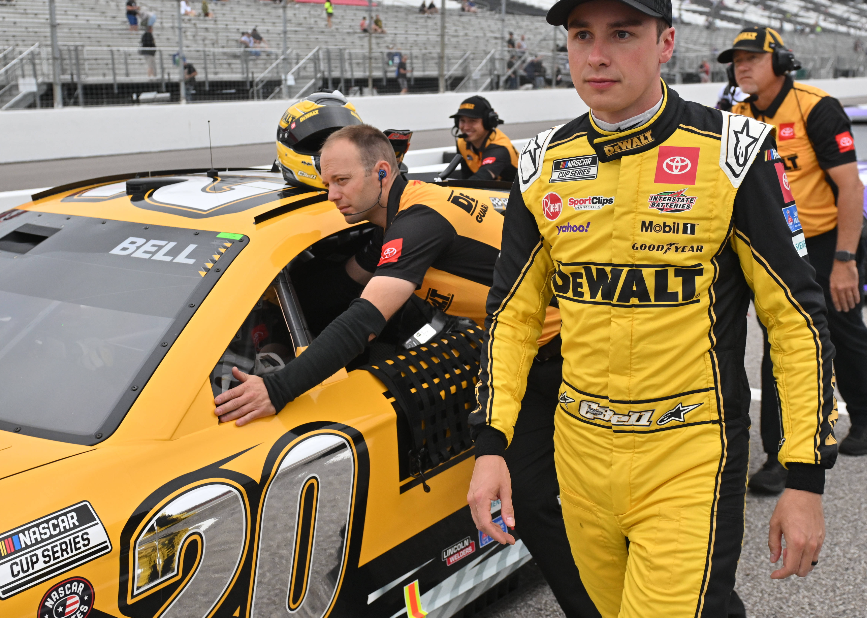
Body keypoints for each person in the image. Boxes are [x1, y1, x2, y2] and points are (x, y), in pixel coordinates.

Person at [467, 0, 836, 618]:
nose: (599, 55)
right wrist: (491, 444)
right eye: (582, 34)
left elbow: (796, 319)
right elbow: (512, 317)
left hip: (689, 453)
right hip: (577, 456)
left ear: (666, 43)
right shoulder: (542, 164)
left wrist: (805, 475)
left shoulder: (734, 152)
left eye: (623, 33)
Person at [215, 97, 600, 618]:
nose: (333, 196)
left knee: (552, 493)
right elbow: (340, 283)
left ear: (381, 171)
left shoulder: (419, 221)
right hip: (526, 350)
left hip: (577, 347)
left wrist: (279, 387)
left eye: (342, 182)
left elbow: (361, 319)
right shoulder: (395, 221)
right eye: (327, 184)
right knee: (534, 495)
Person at [721, 25, 867, 490]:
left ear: (782, 62)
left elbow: (851, 187)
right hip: (779, 246)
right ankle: (780, 457)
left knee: (844, 325)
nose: (742, 66)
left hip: (830, 237)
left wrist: (846, 259)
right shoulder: (735, 115)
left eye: (752, 57)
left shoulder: (817, 107)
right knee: (780, 346)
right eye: (737, 60)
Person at [447, 95, 518, 181]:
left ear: (488, 122)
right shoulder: (462, 142)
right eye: (462, 121)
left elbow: (482, 177)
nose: (465, 127)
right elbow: (466, 177)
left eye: (472, 121)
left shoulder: (500, 147)